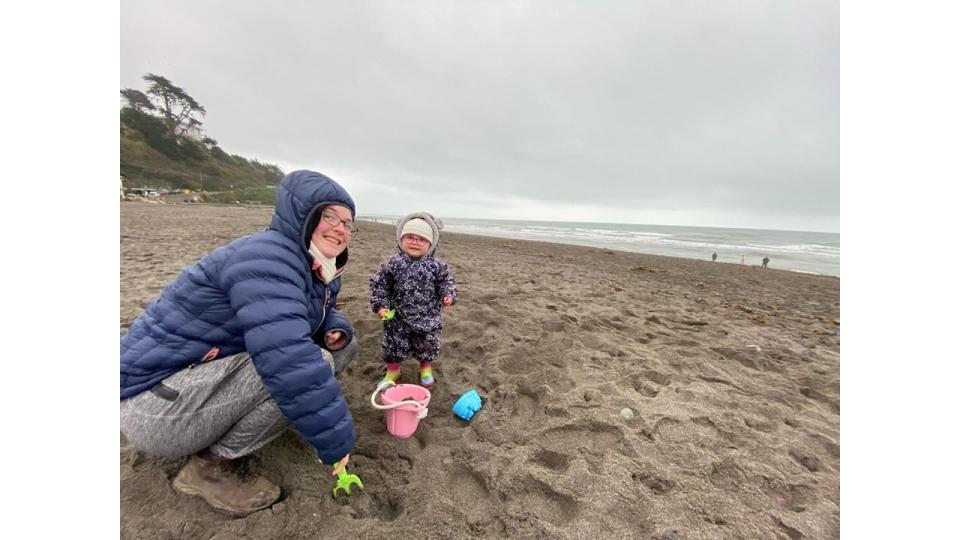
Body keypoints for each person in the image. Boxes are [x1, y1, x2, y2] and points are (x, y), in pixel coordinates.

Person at [120, 170, 360, 517]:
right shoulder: (268, 259)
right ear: (302, 215)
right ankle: (207, 468)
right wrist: (336, 444)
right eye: (329, 216)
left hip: (185, 382)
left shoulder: (311, 264)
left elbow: (302, 314)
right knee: (310, 363)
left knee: (339, 347)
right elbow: (288, 360)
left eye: (348, 223)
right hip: (152, 406)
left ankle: (242, 430)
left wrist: (332, 327)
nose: (341, 228)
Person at [369, 212, 458, 388]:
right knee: (393, 345)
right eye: (410, 237)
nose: (415, 242)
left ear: (431, 244)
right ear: (400, 239)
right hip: (397, 318)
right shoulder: (392, 263)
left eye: (421, 239)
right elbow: (380, 285)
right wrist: (381, 306)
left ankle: (425, 368)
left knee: (427, 345)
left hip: (428, 317)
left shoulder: (437, 266)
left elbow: (447, 282)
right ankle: (393, 370)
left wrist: (448, 295)